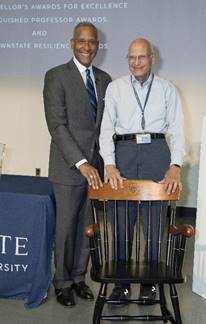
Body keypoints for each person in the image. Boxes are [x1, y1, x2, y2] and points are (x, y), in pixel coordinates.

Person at [99, 38, 185, 302]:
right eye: (131, 58)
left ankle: (150, 283)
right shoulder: (115, 88)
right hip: (123, 154)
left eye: (142, 57)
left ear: (152, 58)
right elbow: (106, 128)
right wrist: (109, 163)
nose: (136, 63)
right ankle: (121, 283)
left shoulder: (167, 89)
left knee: (154, 224)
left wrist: (175, 166)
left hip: (156, 153)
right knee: (121, 221)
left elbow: (178, 129)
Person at [43, 22, 111, 307]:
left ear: (97, 46)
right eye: (81, 41)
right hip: (69, 167)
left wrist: (106, 164)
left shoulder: (105, 79)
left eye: (92, 42)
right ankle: (63, 282)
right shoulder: (56, 76)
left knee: (87, 225)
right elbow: (57, 126)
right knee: (66, 227)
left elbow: (106, 127)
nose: (87, 47)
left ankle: (80, 278)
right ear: (72, 43)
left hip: (96, 168)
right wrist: (82, 163)